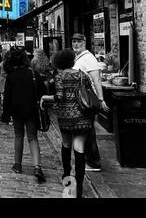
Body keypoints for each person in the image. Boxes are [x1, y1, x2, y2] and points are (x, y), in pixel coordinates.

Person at [41, 49, 94, 198]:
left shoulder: (60, 76)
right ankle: (79, 188)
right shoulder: (82, 75)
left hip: (66, 116)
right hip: (83, 116)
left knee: (66, 145)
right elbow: (89, 92)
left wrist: (45, 97)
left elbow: (59, 97)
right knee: (79, 149)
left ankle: (67, 177)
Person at [2, 49, 46, 183]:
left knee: (18, 136)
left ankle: (17, 165)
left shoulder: (11, 76)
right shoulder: (33, 73)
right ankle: (37, 167)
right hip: (31, 110)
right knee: (33, 137)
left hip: (16, 111)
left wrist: (6, 114)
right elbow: (42, 92)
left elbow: (7, 98)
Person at [72, 33, 109, 172]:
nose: (75, 44)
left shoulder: (89, 58)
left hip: (88, 100)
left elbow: (97, 80)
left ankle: (94, 162)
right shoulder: (80, 57)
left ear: (84, 42)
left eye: (78, 42)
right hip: (82, 100)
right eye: (74, 42)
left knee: (88, 131)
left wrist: (101, 99)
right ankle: (90, 159)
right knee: (86, 130)